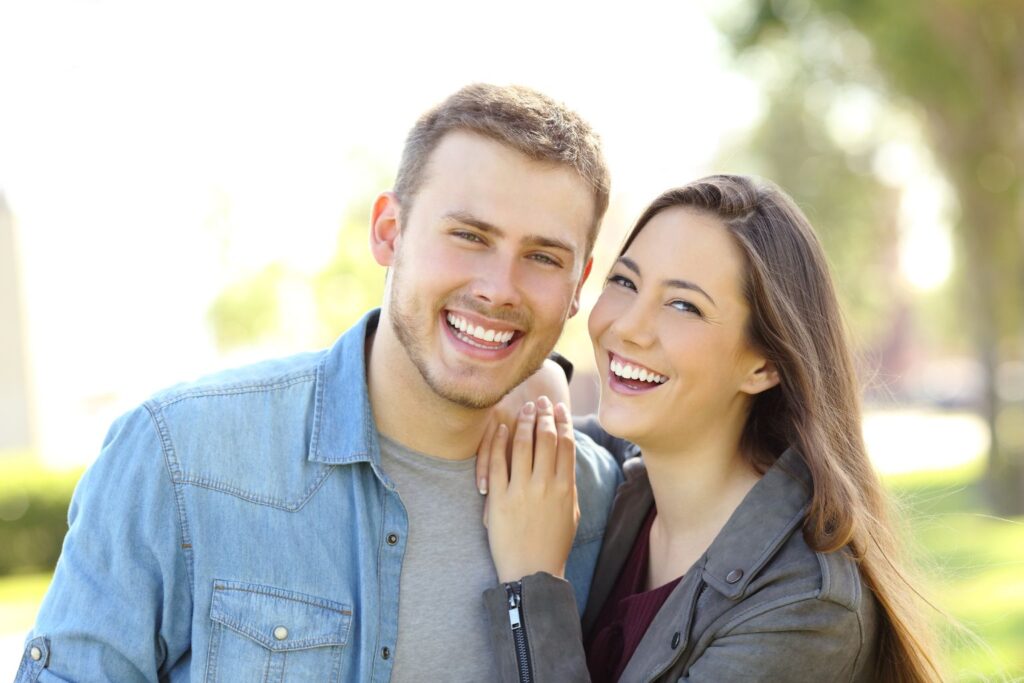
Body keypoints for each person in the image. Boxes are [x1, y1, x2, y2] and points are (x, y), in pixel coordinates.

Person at [17, 83, 622, 682]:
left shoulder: (598, 505)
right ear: (389, 231)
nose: (499, 288)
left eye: (543, 257)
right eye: (469, 236)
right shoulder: (179, 454)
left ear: (578, 285)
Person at [478, 175, 943, 681]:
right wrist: (541, 379)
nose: (628, 326)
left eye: (684, 305)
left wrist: (531, 584)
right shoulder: (620, 481)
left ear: (764, 365)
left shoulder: (803, 609)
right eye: (625, 282)